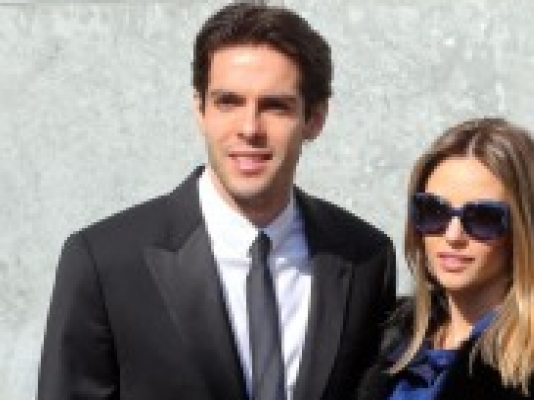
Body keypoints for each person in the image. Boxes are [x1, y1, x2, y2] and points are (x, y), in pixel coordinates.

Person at [37, 3, 396, 400]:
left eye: (275, 106)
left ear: (314, 118)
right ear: (200, 110)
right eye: (228, 101)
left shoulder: (366, 259)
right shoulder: (105, 263)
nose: (249, 128)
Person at [357, 118, 534, 400]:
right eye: (433, 211)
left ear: (522, 231)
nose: (453, 235)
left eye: (483, 217)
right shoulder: (381, 342)